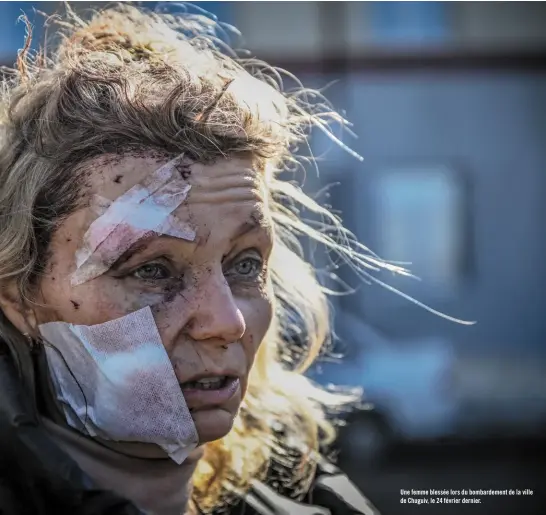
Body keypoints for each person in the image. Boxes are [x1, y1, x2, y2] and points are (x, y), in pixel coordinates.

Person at [0, 3, 406, 514]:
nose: (227, 322)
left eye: (245, 265)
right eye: (151, 269)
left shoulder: (310, 503)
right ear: (19, 295)